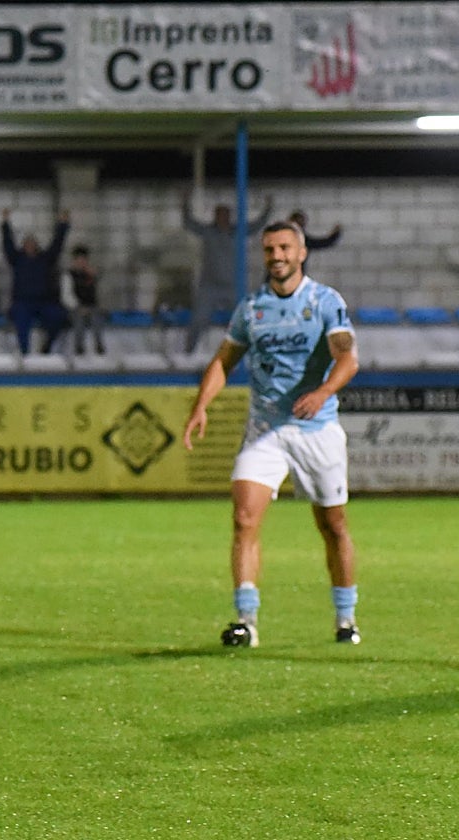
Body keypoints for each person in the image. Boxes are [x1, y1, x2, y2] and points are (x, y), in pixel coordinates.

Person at [182, 220, 361, 649]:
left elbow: (348, 359)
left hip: (315, 431)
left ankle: (345, 618)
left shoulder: (323, 301)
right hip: (264, 430)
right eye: (268, 249)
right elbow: (224, 359)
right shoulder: (252, 308)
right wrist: (201, 405)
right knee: (244, 518)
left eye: (284, 248)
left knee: (333, 526)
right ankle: (245, 620)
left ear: (301, 253)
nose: (276, 256)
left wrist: (322, 392)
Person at [181, 190, 273, 353]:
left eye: (225, 215)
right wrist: (185, 203)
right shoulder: (208, 232)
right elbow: (189, 223)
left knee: (243, 320)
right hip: (210, 286)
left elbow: (258, 224)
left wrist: (268, 207)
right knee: (199, 319)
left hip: (233, 286)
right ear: (215, 217)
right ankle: (188, 353)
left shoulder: (238, 231)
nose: (222, 219)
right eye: (219, 215)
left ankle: (250, 354)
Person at [2, 208, 70, 354]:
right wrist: (5, 223)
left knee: (59, 316)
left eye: (33, 243)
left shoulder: (45, 259)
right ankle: (24, 353)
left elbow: (57, 244)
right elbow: (7, 244)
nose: (31, 246)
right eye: (28, 243)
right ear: (23, 246)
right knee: (21, 321)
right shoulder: (17, 259)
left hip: (44, 302)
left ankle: (47, 346)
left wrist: (63, 224)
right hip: (23, 302)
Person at [62, 245, 106, 355]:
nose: (81, 263)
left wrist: (94, 276)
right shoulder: (68, 275)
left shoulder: (91, 274)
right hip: (76, 308)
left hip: (91, 307)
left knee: (97, 318)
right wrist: (78, 306)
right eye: (79, 260)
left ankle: (99, 346)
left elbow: (102, 292)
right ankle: (79, 347)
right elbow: (66, 296)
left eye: (83, 260)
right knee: (79, 320)